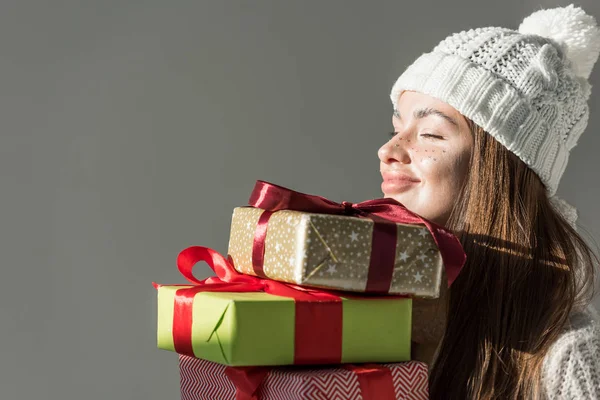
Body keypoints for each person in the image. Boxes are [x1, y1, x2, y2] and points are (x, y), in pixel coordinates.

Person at [378, 4, 600, 399]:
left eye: (430, 133)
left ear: (502, 164)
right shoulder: (380, 301)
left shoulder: (567, 355)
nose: (389, 150)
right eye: (398, 127)